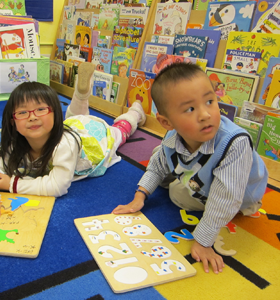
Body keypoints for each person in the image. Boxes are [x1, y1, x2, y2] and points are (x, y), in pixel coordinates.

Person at [112, 62, 268, 274]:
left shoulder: (235, 143)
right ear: (166, 122)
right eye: (190, 109)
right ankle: (180, 176)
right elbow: (157, 165)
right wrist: (140, 196)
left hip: (241, 198)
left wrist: (203, 242)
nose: (205, 114)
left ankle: (181, 180)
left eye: (210, 101)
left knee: (177, 192)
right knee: (160, 154)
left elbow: (226, 199)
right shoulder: (172, 135)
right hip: (201, 175)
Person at [0, 62, 146, 220]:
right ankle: (80, 95)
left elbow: (57, 187)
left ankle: (135, 112)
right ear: (12, 121)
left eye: (40, 109)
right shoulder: (15, 144)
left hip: (94, 137)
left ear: (55, 112)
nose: (32, 117)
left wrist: (12, 184)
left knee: (121, 131)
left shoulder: (64, 145)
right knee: (75, 119)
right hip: (70, 127)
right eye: (23, 113)